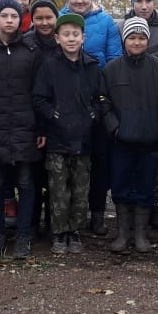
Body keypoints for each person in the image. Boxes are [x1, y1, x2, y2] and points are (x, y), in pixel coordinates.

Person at [0, 0, 43, 259]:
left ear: (20, 20)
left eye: (14, 16)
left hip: (25, 127)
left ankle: (24, 236)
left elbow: (40, 92)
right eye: (4, 16)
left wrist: (40, 128)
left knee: (26, 183)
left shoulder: (31, 50)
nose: (9, 21)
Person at [32, 13, 102, 255]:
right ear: (57, 38)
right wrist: (54, 116)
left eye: (75, 34)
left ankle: (75, 232)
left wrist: (94, 115)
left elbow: (99, 98)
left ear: (83, 37)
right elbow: (39, 98)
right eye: (66, 35)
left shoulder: (92, 66)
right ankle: (59, 233)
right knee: (58, 190)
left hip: (84, 139)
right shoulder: (49, 65)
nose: (71, 39)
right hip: (57, 139)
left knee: (80, 189)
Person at [101, 17, 158, 253]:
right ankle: (122, 233)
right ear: (124, 40)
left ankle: (141, 234)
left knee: (146, 186)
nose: (137, 42)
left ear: (148, 40)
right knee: (120, 185)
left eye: (141, 37)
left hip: (150, 141)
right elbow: (103, 102)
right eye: (132, 37)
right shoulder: (111, 69)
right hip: (121, 141)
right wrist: (114, 128)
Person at [62, 0, 122, 235]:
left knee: (99, 161)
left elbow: (114, 59)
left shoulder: (106, 23)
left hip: (96, 100)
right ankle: (67, 217)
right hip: (66, 103)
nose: (79, 0)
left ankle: (96, 214)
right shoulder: (60, 19)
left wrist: (104, 97)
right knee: (66, 163)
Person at [23, 0, 61, 237]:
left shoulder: (64, 43)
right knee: (34, 176)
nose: (45, 22)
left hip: (59, 119)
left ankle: (54, 223)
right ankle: (33, 222)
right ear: (32, 20)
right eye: (40, 18)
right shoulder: (26, 44)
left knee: (56, 177)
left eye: (49, 17)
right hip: (32, 118)